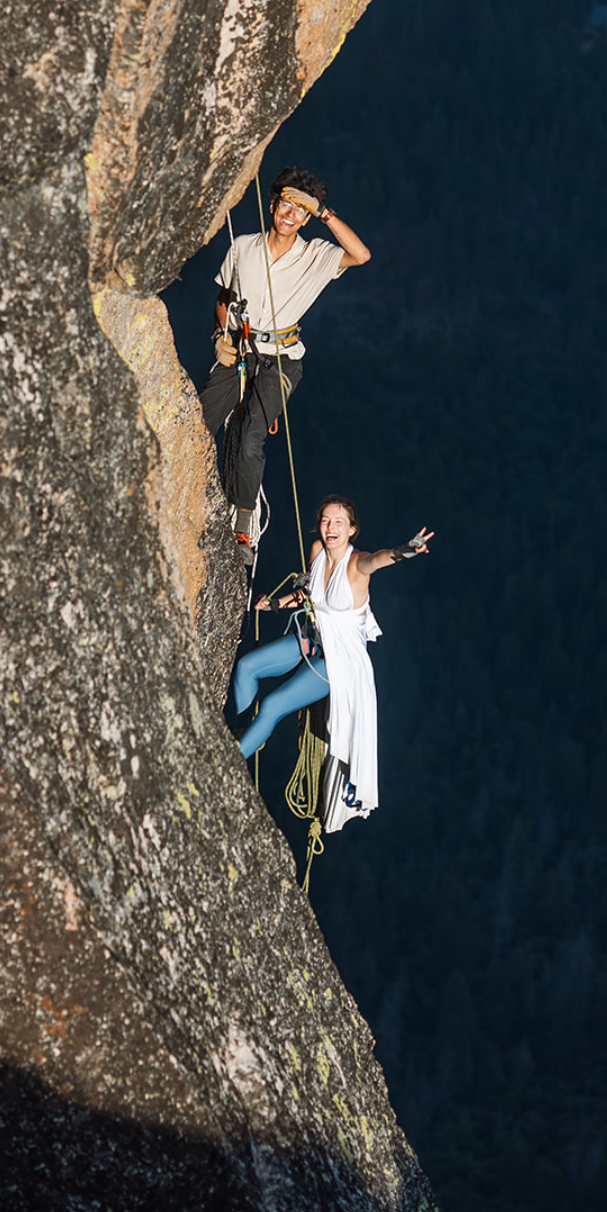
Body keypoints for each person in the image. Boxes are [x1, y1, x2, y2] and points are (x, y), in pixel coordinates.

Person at [198, 168, 371, 562]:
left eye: (300, 209)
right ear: (272, 205)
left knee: (251, 436)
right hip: (241, 348)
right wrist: (219, 336)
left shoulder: (316, 256)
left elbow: (361, 255)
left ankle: (243, 524)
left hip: (282, 360)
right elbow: (224, 298)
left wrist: (324, 212)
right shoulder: (242, 246)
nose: (290, 214)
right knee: (201, 419)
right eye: (286, 204)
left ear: (307, 218)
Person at [231, 496, 432, 832]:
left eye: (339, 522)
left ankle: (229, 758)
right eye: (325, 520)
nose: (330, 527)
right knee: (246, 667)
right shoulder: (317, 552)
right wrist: (276, 604)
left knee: (272, 704)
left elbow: (378, 560)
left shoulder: (357, 564)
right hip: (312, 639)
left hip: (337, 664)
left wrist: (403, 551)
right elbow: (310, 594)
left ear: (352, 529)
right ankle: (239, 731)